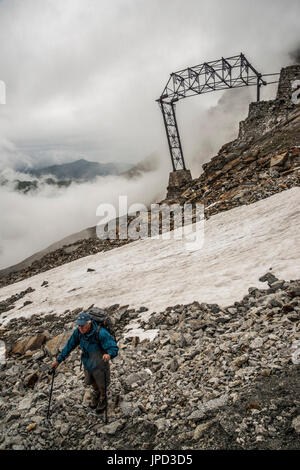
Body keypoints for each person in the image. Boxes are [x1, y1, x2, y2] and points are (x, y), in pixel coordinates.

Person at [51, 312, 118, 413]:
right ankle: (96, 393)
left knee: (102, 382)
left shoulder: (101, 333)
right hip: (87, 361)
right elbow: (69, 346)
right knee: (90, 380)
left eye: (82, 325)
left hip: (100, 362)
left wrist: (109, 355)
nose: (80, 328)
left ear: (89, 323)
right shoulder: (78, 332)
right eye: (79, 325)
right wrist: (58, 360)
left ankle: (103, 397)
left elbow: (113, 347)